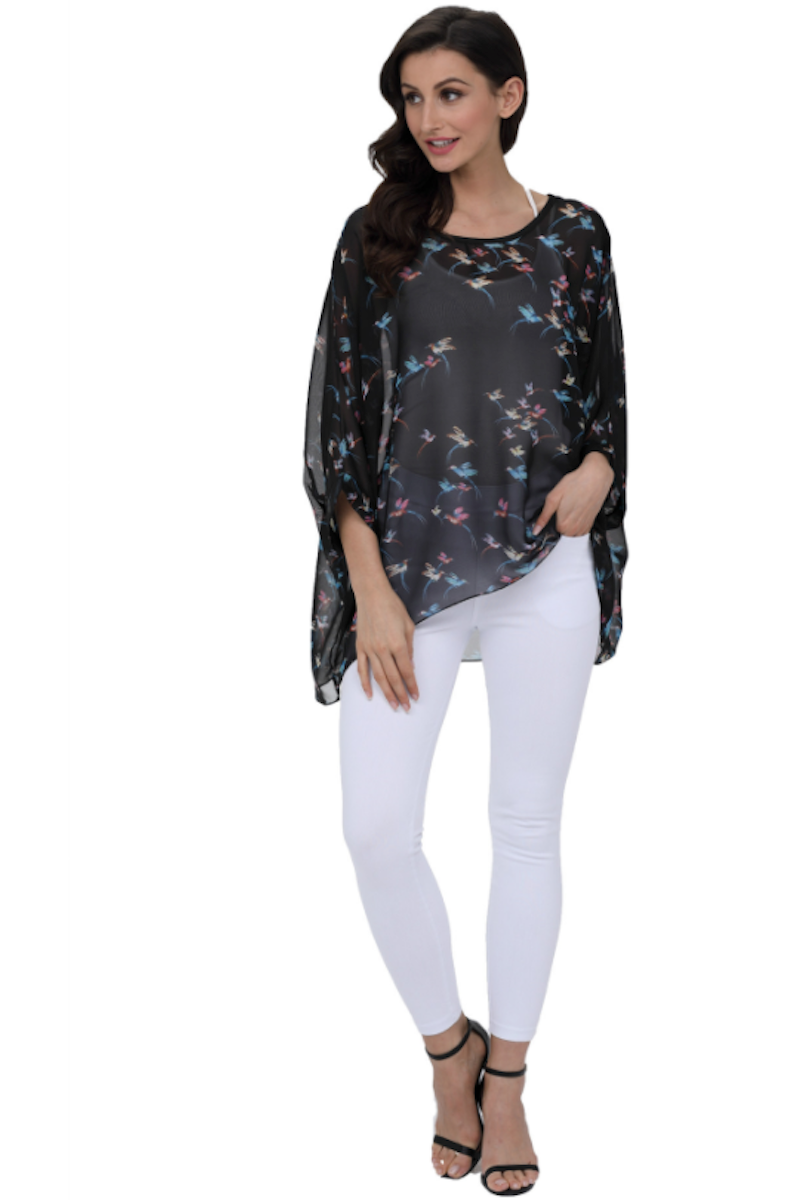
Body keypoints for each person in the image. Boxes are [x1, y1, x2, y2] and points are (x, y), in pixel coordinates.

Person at [302, 8, 627, 1193]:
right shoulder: (379, 238)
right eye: (411, 98)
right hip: (411, 576)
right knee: (376, 829)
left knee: (526, 826)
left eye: (450, 92)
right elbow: (338, 425)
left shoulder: (577, 234)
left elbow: (607, 401)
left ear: (508, 95)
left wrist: (599, 471)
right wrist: (369, 589)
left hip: (546, 567)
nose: (428, 118)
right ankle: (451, 1053)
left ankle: (510, 1086)